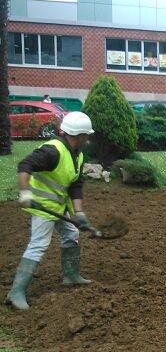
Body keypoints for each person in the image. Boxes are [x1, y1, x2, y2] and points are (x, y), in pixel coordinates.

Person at [6, 111, 95, 310]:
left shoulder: (77, 155)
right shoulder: (52, 151)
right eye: (86, 135)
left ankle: (71, 275)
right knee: (38, 244)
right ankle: (16, 291)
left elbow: (76, 184)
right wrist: (25, 193)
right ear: (79, 136)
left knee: (71, 234)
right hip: (42, 208)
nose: (88, 139)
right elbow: (24, 165)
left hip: (58, 207)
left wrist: (79, 213)